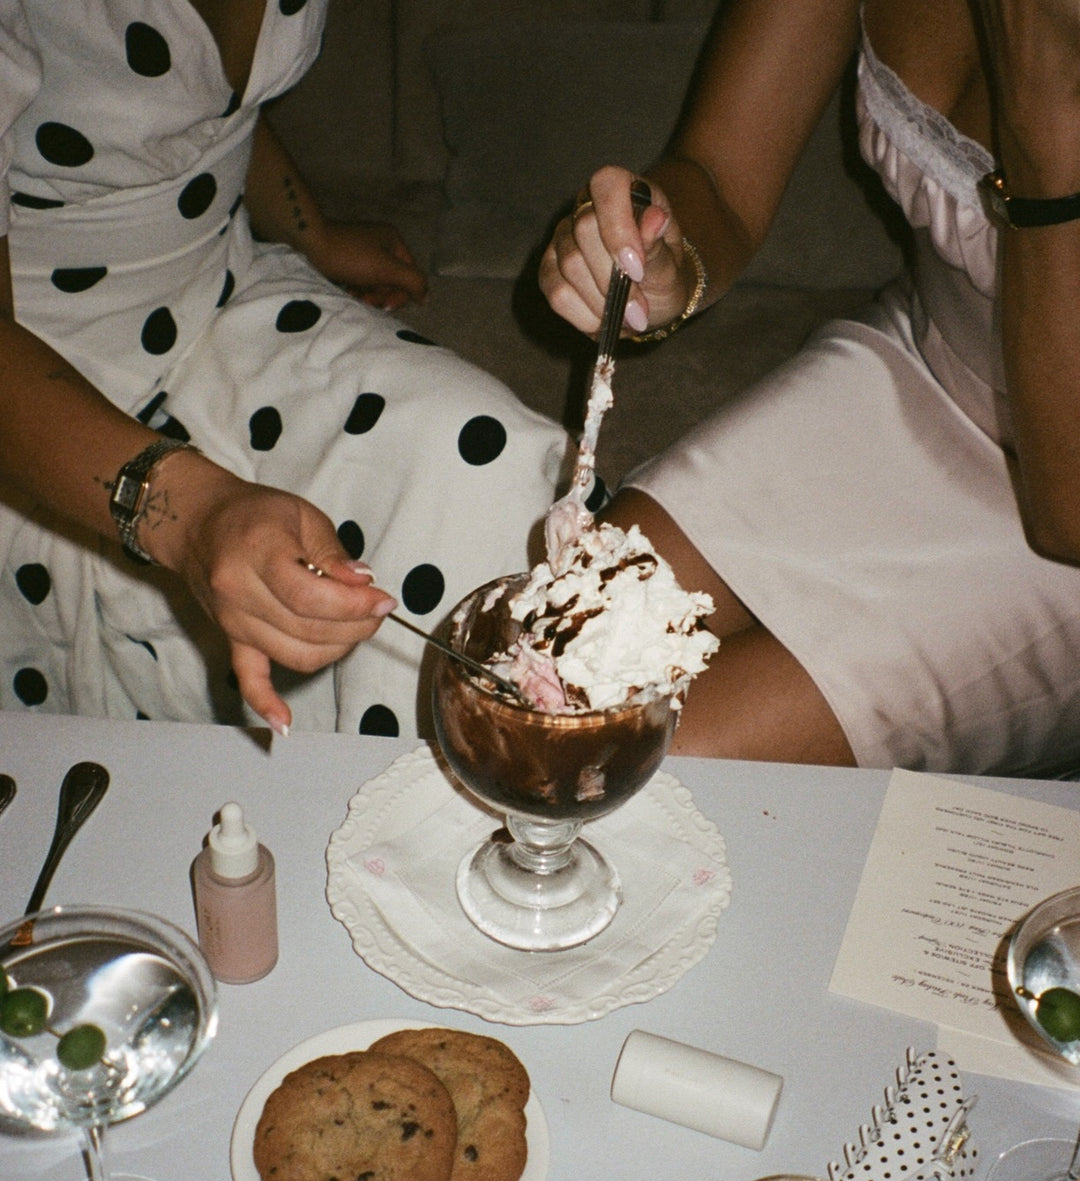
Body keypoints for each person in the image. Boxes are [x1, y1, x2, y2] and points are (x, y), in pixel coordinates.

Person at [0, 0, 570, 736]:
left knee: (482, 460)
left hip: (220, 284)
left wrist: (312, 230)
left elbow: (195, 104)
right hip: (44, 388)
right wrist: (190, 514)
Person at [540, 0, 1080, 774]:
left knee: (640, 770)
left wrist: (1047, 121)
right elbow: (721, 174)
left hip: (1059, 528)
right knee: (545, 663)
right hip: (914, 377)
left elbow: (1069, 517)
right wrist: (663, 257)